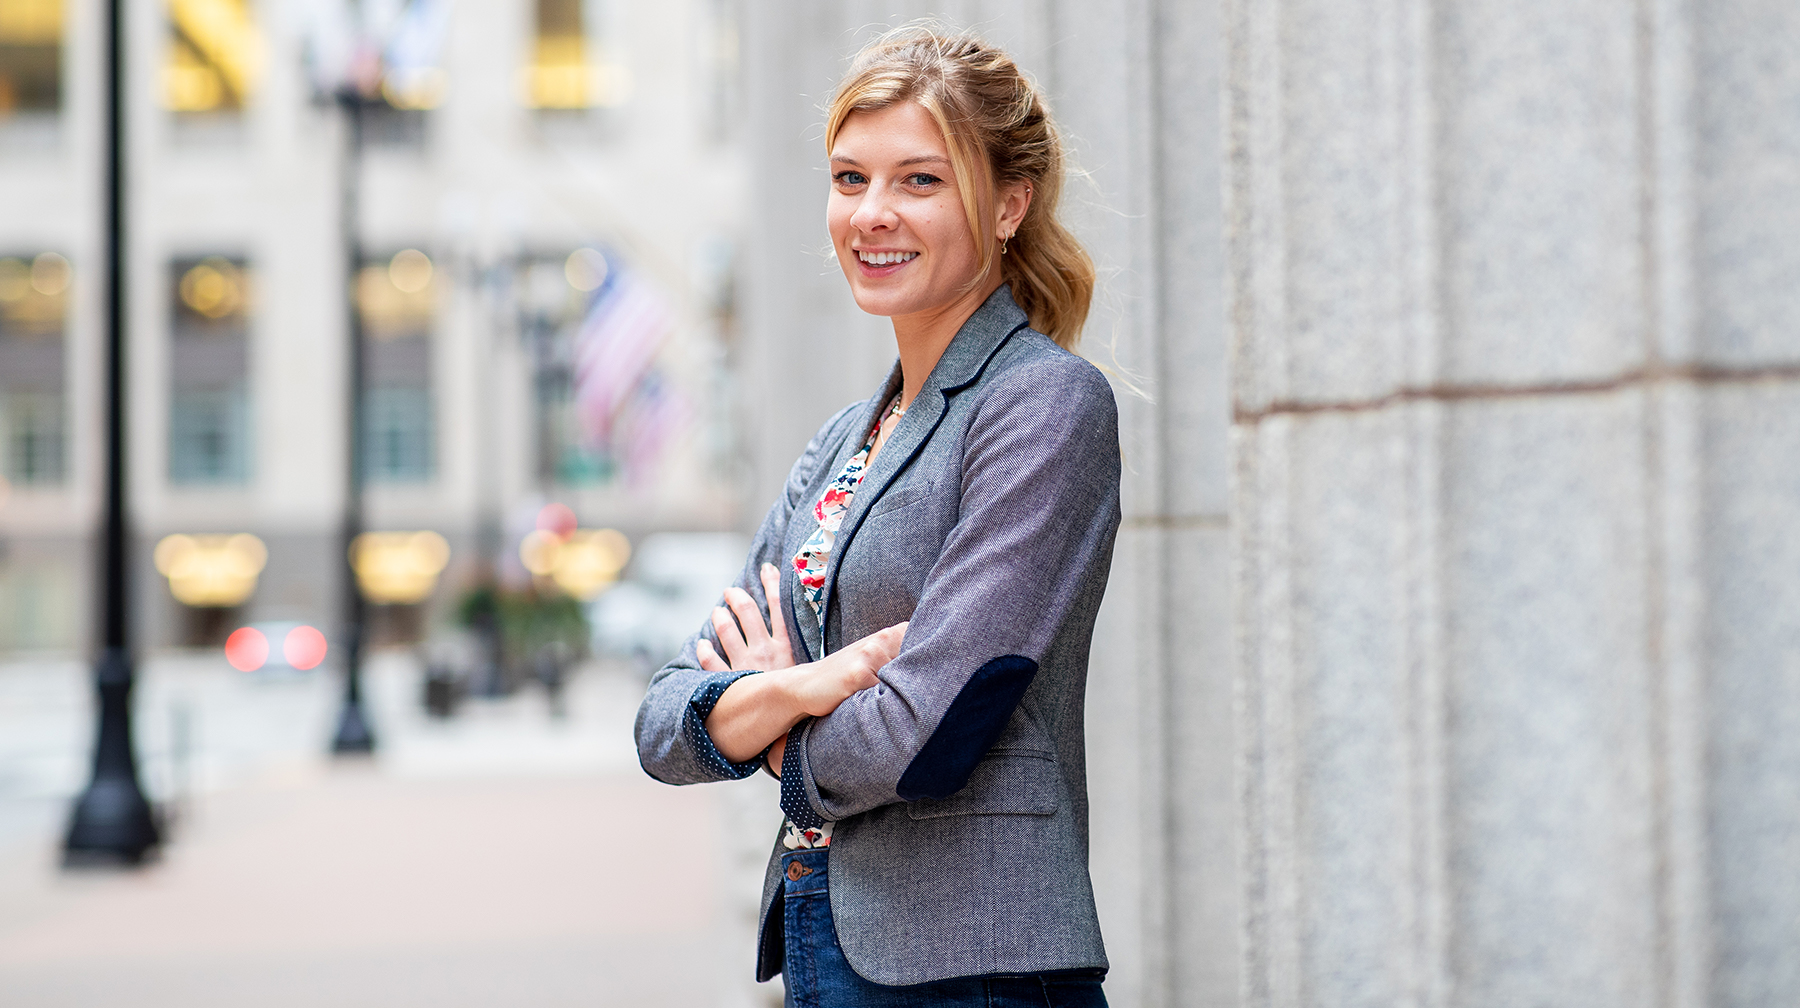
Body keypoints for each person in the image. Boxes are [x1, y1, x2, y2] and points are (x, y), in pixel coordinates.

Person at [634, 23, 1120, 1007]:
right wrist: (809, 685)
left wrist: (770, 716)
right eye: (850, 178)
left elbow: (928, 728)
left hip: (972, 964)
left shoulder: (1044, 406)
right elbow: (661, 720)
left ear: (1009, 205)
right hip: (827, 943)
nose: (873, 214)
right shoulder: (844, 443)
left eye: (920, 181)